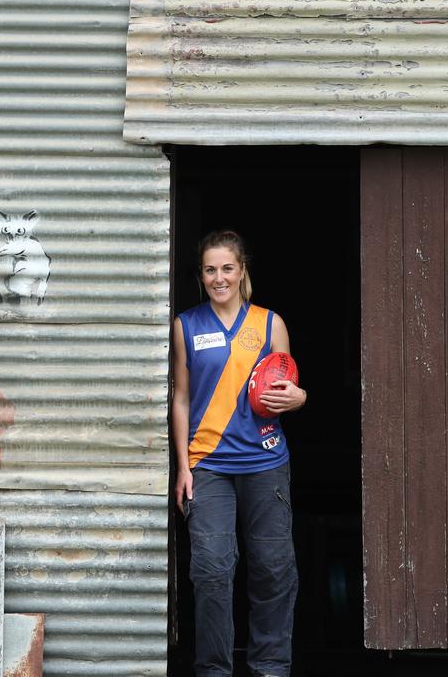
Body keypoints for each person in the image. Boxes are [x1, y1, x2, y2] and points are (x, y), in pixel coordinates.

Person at [171, 230, 307, 677]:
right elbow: (181, 399)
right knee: (211, 572)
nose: (219, 277)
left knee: (272, 570)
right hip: (208, 465)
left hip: (266, 464)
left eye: (227, 268)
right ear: (201, 275)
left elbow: (287, 385)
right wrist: (182, 467)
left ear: (242, 270)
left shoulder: (270, 324)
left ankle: (270, 667)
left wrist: (299, 398)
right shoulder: (186, 325)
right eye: (210, 269)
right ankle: (214, 669)